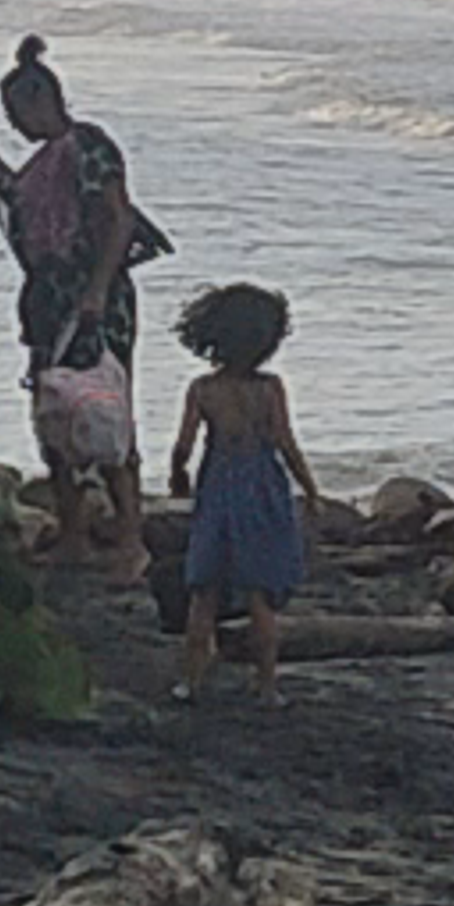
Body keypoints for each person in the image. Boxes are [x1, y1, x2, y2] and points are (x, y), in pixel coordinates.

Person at [0, 34, 167, 573]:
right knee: (54, 414)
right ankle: (74, 532)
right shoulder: (43, 165)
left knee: (105, 413)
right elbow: (11, 194)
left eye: (16, 115)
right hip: (48, 300)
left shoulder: (90, 148)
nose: (16, 127)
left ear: (43, 102)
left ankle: (131, 536)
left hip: (94, 300)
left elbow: (119, 218)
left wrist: (97, 290)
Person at [169, 280, 317, 695]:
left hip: (218, 486)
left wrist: (177, 476)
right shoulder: (269, 389)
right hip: (262, 486)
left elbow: (183, 445)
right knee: (260, 595)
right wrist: (310, 488)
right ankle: (267, 684)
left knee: (204, 592)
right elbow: (285, 442)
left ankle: (191, 681)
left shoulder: (203, 389)